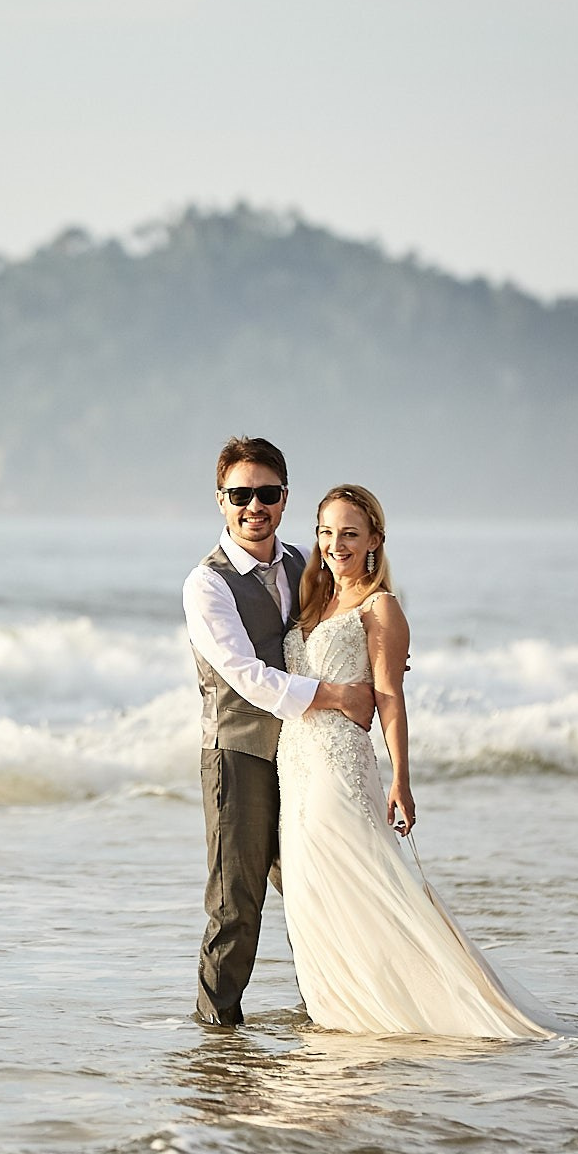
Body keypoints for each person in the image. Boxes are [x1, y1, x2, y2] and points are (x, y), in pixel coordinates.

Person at [278, 484, 559, 1037]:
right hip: (295, 764)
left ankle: (414, 1008)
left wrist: (401, 779)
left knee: (362, 888)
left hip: (339, 767)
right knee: (313, 895)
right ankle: (343, 1011)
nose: (337, 544)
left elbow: (389, 697)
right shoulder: (314, 601)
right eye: (327, 532)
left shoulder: (381, 607)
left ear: (375, 540)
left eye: (351, 534)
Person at [183, 437, 373, 1027]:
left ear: (284, 498)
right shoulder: (207, 584)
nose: (254, 506)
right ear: (221, 501)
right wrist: (339, 695)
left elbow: (346, 617)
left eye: (266, 493)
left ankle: (336, 1017)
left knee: (319, 891)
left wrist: (381, 658)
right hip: (237, 755)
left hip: (305, 756)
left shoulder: (304, 563)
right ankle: (216, 1047)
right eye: (241, 494)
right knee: (237, 907)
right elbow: (246, 676)